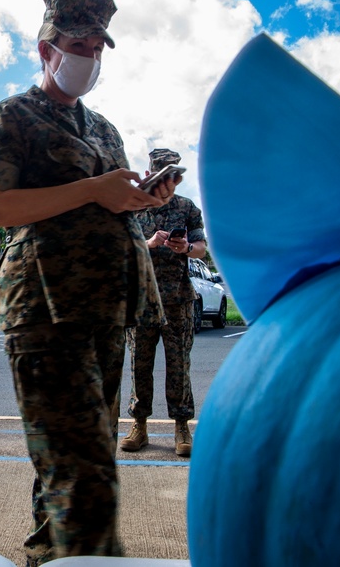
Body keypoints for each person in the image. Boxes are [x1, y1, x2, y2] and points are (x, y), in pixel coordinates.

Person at [0, 0, 178, 566]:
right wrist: (93, 187)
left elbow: (107, 202)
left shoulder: (104, 128)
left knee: (72, 461)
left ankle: (49, 556)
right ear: (47, 49)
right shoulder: (13, 115)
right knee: (84, 472)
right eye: (79, 46)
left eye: (97, 48)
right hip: (45, 309)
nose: (90, 58)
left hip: (106, 307)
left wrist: (140, 198)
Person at [120, 148, 208, 458]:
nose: (166, 182)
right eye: (160, 175)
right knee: (139, 366)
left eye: (171, 176)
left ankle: (182, 426)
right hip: (143, 299)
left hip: (177, 300)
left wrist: (185, 247)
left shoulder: (187, 208)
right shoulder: (134, 208)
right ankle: (139, 425)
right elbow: (125, 249)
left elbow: (201, 248)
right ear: (149, 175)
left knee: (179, 367)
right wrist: (152, 243)